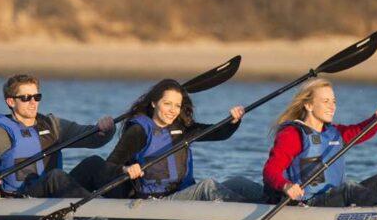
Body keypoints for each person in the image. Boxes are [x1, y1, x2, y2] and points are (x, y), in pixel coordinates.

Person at [75, 78, 257, 201]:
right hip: (157, 199)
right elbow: (109, 166)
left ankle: (275, 199)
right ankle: (248, 213)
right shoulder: (139, 130)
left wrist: (233, 121)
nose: (172, 110)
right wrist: (126, 169)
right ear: (154, 103)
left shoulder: (183, 128)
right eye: (167, 104)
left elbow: (220, 133)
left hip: (182, 193)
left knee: (240, 183)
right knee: (207, 186)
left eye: (177, 105)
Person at [262, 78, 377, 207]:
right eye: (325, 101)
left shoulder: (334, 132)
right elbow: (270, 170)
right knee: (349, 188)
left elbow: (358, 132)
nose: (332, 107)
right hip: (308, 202)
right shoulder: (292, 134)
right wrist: (286, 186)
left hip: (331, 197)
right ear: (309, 105)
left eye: (333, 101)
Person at [0, 74, 115, 198]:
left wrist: (106, 129)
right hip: (20, 197)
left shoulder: (53, 125)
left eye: (36, 97)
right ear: (11, 102)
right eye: (26, 98)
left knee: (93, 163)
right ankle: (94, 207)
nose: (33, 102)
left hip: (54, 190)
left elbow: (95, 139)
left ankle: (126, 199)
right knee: (56, 176)